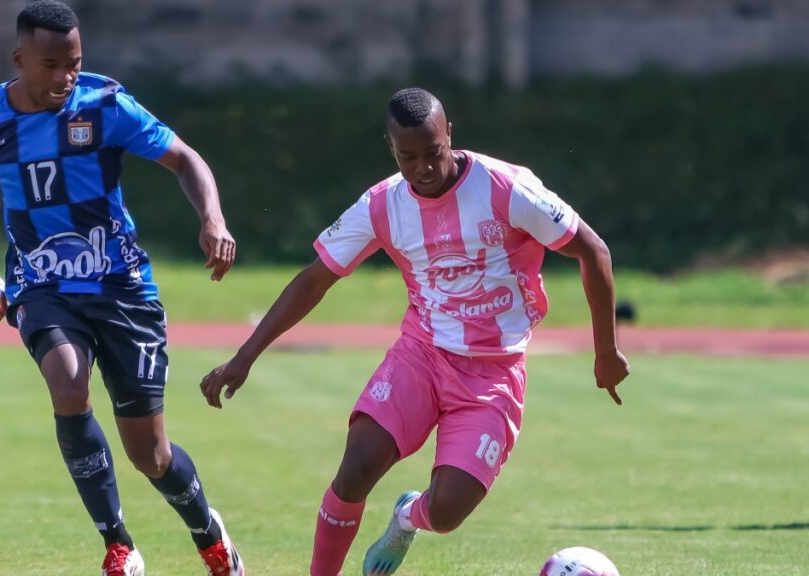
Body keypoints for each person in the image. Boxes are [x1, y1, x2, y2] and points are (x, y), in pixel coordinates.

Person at [200, 87, 630, 576]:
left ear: (451, 135)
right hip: (420, 356)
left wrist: (606, 351)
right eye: (408, 157)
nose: (423, 167)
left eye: (434, 153)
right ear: (391, 148)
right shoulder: (382, 205)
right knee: (356, 467)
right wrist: (244, 357)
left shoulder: (508, 188)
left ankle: (408, 516)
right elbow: (314, 279)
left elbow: (593, 252)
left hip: (493, 372)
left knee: (446, 513)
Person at [0, 2, 244, 575]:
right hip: (42, 285)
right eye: (51, 63)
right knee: (68, 386)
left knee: (151, 455)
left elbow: (184, 159)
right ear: (20, 59)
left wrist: (213, 218)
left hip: (121, 287)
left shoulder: (105, 104)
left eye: (74, 62)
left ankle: (208, 533)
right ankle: (119, 545)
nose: (65, 75)